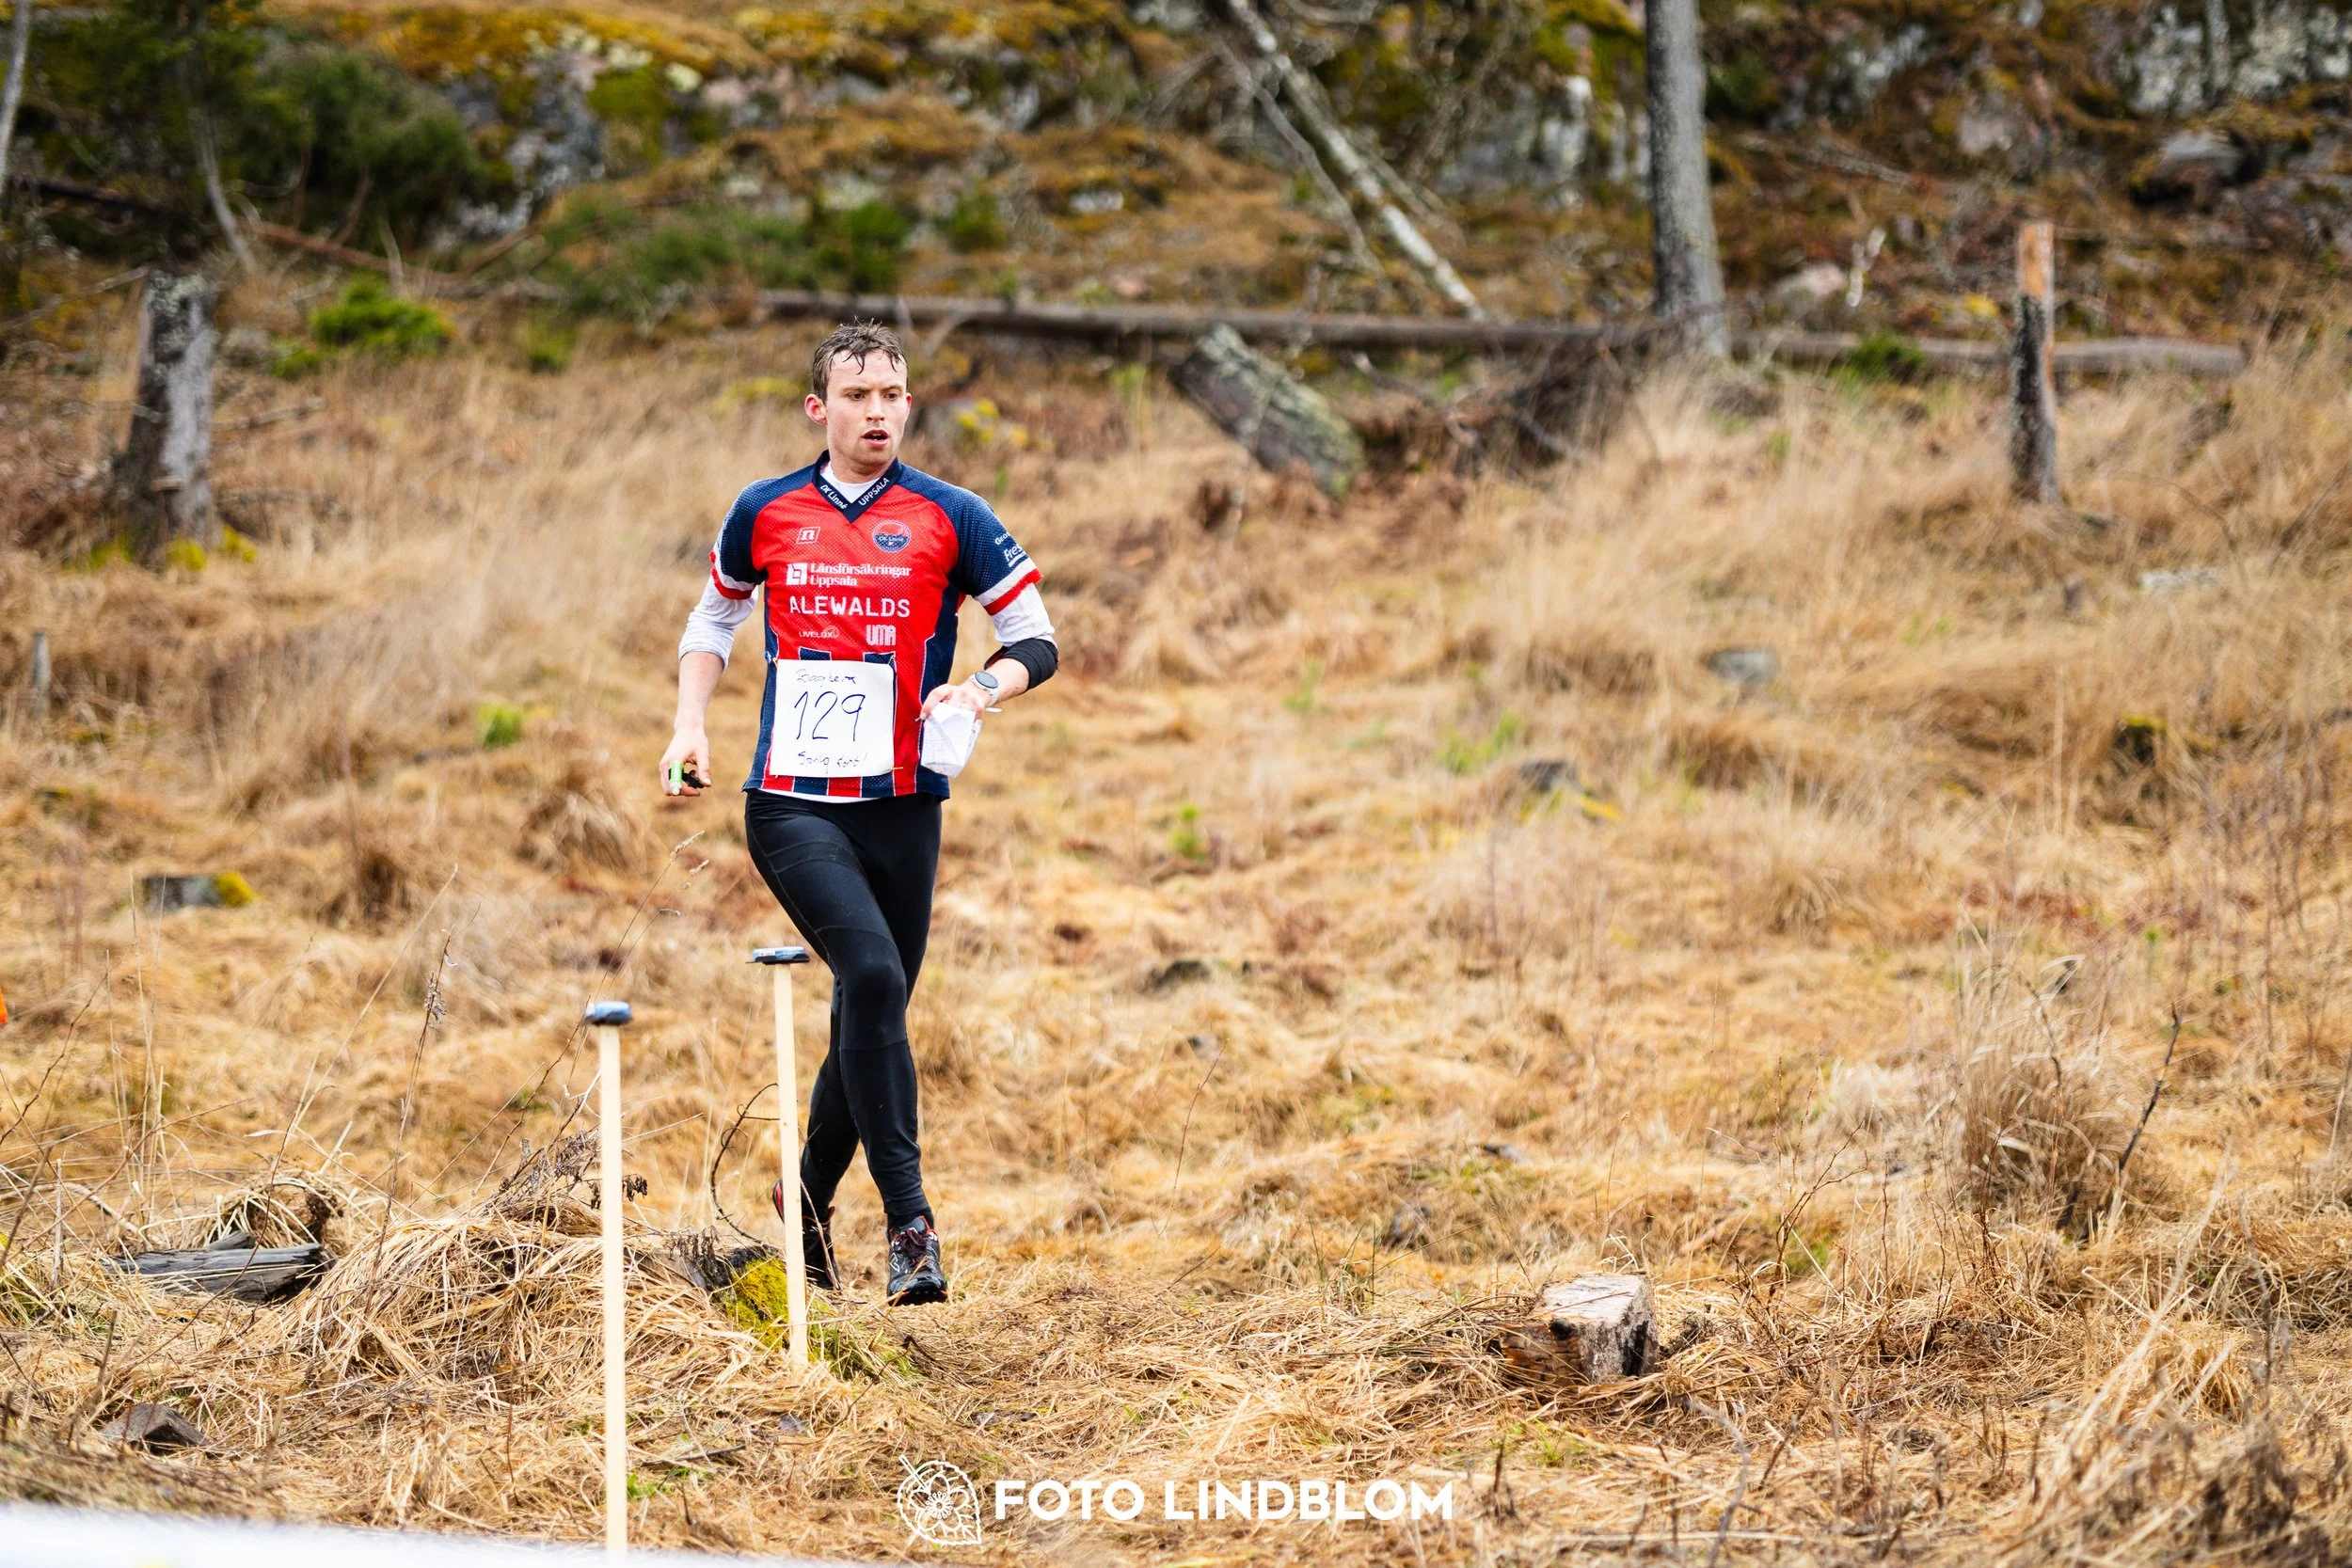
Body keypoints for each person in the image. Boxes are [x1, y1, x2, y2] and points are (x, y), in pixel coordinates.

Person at [660, 321, 1057, 1306]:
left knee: (871, 1005)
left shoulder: (951, 514)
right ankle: (910, 1225)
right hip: (791, 801)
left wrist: (981, 689)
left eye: (892, 394)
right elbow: (714, 614)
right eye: (858, 395)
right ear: (819, 408)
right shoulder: (766, 510)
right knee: (872, 973)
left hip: (904, 803)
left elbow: (1034, 634)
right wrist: (688, 726)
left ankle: (800, 1210)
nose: (877, 411)